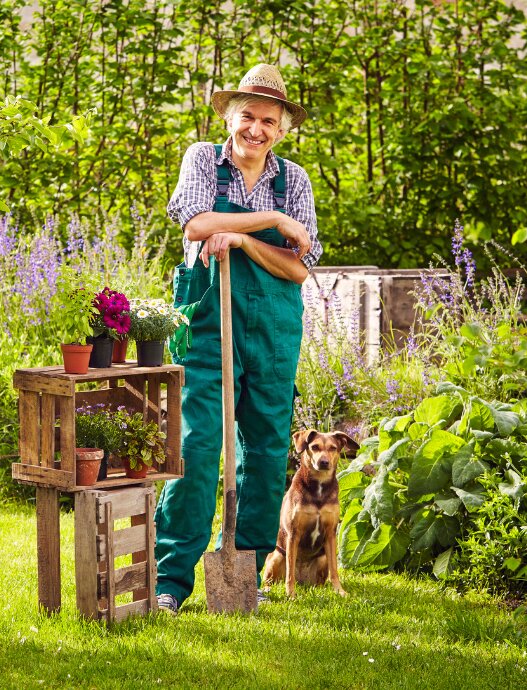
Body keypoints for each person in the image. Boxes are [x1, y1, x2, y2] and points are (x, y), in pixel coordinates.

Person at [154, 64, 322, 615]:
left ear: (282, 128)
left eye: (268, 120)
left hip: (272, 328)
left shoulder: (295, 179)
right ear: (229, 116)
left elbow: (298, 269)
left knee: (270, 451)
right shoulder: (203, 159)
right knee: (198, 445)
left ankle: (245, 572)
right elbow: (195, 225)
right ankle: (171, 581)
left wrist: (244, 241)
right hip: (206, 320)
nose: (255, 128)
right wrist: (269, 219)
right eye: (246, 115)